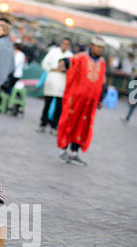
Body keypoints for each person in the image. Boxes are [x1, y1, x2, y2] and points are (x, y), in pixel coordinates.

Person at [57, 35, 106, 166]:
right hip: (76, 99)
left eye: (102, 48)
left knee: (83, 126)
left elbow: (102, 81)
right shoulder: (81, 57)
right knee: (70, 122)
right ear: (92, 46)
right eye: (98, 47)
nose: (100, 50)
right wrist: (63, 62)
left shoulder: (102, 63)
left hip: (90, 102)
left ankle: (74, 152)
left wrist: (101, 98)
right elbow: (70, 61)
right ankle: (63, 150)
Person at [37, 38, 72, 135]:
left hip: (62, 83)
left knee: (59, 107)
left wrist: (64, 70)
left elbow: (72, 69)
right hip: (51, 80)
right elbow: (44, 63)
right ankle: (43, 124)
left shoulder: (70, 56)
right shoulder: (53, 52)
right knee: (47, 104)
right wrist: (53, 69)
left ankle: (54, 126)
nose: (64, 45)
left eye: (67, 44)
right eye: (63, 43)